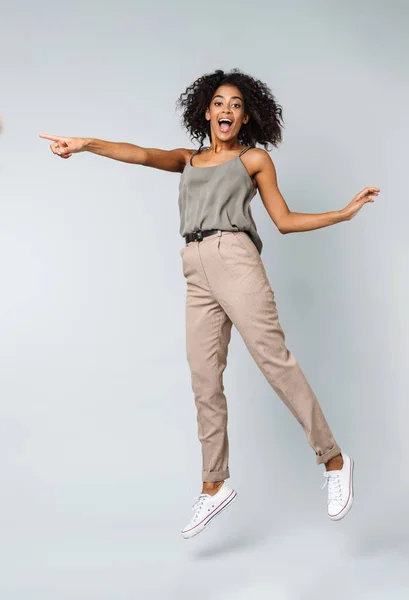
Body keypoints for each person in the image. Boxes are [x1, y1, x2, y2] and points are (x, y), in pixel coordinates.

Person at [40, 68, 380, 540]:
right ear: (206, 111)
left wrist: (342, 213)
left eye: (236, 104)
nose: (227, 110)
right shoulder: (188, 159)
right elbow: (139, 155)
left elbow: (282, 220)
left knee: (274, 362)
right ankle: (214, 483)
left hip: (235, 257)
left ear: (246, 117)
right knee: (204, 378)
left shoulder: (254, 159)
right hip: (194, 265)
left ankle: (335, 461)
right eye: (220, 102)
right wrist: (85, 144)